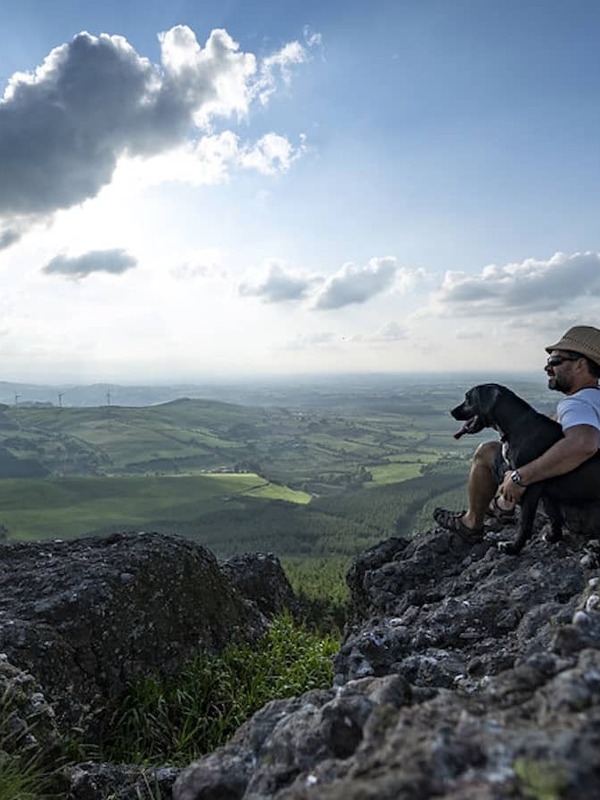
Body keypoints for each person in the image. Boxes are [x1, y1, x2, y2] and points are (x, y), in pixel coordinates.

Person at [433, 325, 600, 540]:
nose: (547, 368)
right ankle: (502, 507)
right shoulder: (593, 399)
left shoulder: (576, 405)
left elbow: (583, 444)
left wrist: (520, 477)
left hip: (579, 513)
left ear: (580, 365)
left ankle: (472, 522)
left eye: (554, 361)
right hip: (592, 502)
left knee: (487, 452)